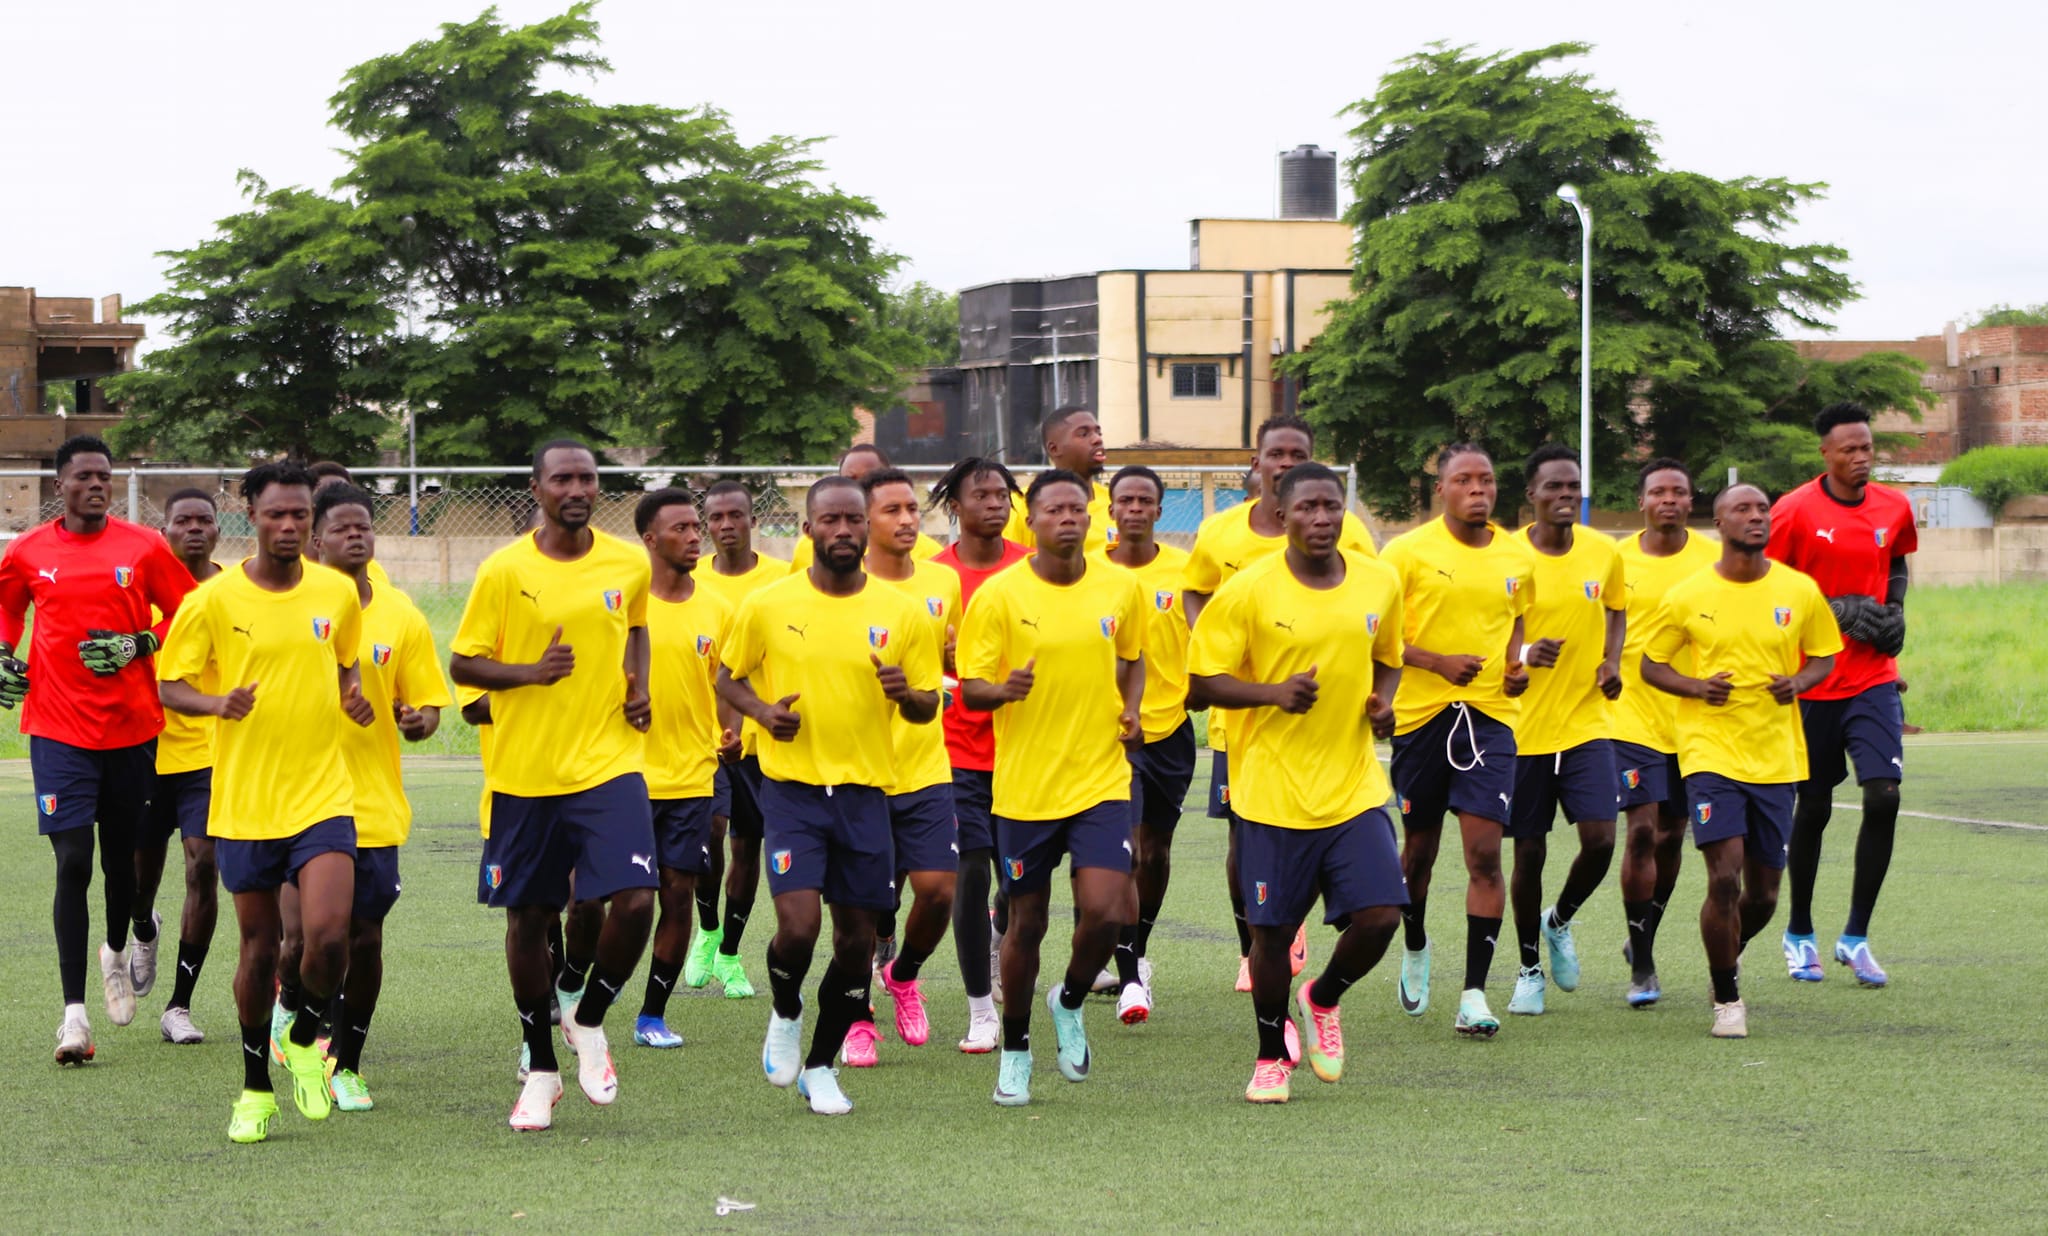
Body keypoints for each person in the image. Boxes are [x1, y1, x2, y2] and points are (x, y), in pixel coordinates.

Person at [158, 461, 374, 1143]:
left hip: (322, 792)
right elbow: (171, 684)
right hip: (246, 802)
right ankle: (254, 1088)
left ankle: (306, 1035)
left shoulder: (336, 594)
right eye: (276, 514)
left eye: (300, 515)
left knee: (329, 935)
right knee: (259, 948)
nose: (288, 526)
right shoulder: (214, 602)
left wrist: (351, 693)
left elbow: (346, 662)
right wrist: (218, 702)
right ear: (247, 515)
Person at [716, 476, 940, 1116]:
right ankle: (786, 1009)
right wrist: (761, 712)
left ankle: (820, 1065)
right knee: (798, 926)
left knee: (853, 943)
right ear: (808, 528)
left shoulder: (901, 613)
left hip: (868, 794)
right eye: (829, 520)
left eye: (852, 520)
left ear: (866, 526)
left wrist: (907, 695)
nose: (842, 531)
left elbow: (928, 705)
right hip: (791, 791)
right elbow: (727, 677)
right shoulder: (766, 604)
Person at [451, 439, 656, 1131]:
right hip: (525, 773)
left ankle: (589, 1016)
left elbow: (636, 629)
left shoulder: (628, 562)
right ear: (535, 487)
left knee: (634, 901)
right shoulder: (504, 570)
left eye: (588, 478)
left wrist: (640, 688)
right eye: (562, 477)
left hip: (608, 762)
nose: (577, 487)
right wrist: (530, 674)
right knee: (529, 921)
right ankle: (540, 1068)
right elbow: (465, 665)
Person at [1188, 463, 1408, 1102]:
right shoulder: (1249, 590)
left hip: (1353, 786)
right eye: (1307, 507)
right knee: (1273, 936)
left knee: (1381, 915)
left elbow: (1389, 658)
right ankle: (1268, 1057)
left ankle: (1323, 997)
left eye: (1332, 507)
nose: (1321, 518)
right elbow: (1201, 685)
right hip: (1272, 791)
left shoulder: (1379, 580)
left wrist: (1383, 704)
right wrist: (1271, 694)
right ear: (1281, 516)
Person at [0, 434, 197, 1064]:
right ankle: (73, 1019)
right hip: (57, 729)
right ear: (59, 486)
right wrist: (3, 654)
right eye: (83, 476)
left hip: (133, 730)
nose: (96, 485)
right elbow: (7, 614)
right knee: (72, 861)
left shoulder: (142, 546)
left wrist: (140, 643)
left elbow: (190, 614)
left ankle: (121, 945)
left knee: (122, 867)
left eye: (104, 477)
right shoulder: (29, 552)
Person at [958, 469, 1147, 1107]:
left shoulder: (1120, 588)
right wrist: (1003, 689)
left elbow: (1133, 656)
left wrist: (1132, 707)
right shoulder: (999, 597)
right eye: (1054, 509)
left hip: (1100, 778)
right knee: (1026, 924)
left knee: (1109, 909)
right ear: (1031, 521)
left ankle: (1068, 999)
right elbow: (972, 687)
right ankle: (1015, 1050)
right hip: (1025, 789)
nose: (1069, 517)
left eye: (1077, 508)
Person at [1183, 415, 1378, 992]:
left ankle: (1288, 926)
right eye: (1277, 453)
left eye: (1299, 452)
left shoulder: (1353, 540)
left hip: (1331, 730)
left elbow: (1375, 613)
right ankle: (1256, 941)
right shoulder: (1221, 533)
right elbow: (1197, 592)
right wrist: (1217, 647)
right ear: (1257, 462)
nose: (1286, 462)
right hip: (1246, 720)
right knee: (1243, 837)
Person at [1642, 484, 1842, 1037]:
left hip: (1776, 756)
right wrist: (1697, 687)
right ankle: (1727, 999)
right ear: (1720, 523)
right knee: (1724, 877)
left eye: (1762, 510)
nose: (1756, 517)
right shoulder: (1687, 595)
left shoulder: (1798, 590)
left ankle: (1729, 954)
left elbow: (1825, 653)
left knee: (1765, 894)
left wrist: (1799, 681)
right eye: (1743, 510)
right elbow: (1651, 665)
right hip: (1710, 751)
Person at [298, 483, 448, 1110]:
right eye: (341, 528)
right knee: (306, 938)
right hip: (296, 799)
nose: (356, 536)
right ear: (316, 539)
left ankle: (346, 1062)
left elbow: (428, 703)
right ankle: (301, 1024)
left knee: (363, 940)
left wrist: (420, 721)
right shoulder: (290, 605)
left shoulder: (400, 615)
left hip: (374, 802)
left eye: (365, 527)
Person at [1379, 444, 1534, 1038]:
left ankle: (1473, 993)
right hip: (1421, 718)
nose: (1479, 490)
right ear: (1440, 488)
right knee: (1417, 853)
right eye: (1464, 480)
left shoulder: (1519, 558)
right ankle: (1415, 943)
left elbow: (1517, 626)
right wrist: (1436, 662)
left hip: (1490, 720)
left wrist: (1515, 666)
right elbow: (1381, 636)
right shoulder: (1407, 553)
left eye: (1488, 480)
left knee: (1484, 855)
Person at [1765, 402, 1918, 987]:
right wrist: (1832, 611)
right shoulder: (1794, 511)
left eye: (1867, 447)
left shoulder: (1894, 506)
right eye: (1849, 450)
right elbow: (1767, 587)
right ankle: (1798, 931)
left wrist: (1895, 610)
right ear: (1825, 453)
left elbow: (1897, 559)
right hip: (1811, 682)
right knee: (1815, 807)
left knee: (1883, 796)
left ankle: (1855, 937)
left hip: (1874, 677)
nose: (1861, 458)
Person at [840, 467, 963, 1067]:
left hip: (926, 766)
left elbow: (950, 661)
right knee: (864, 905)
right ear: (864, 522)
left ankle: (903, 974)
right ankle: (858, 1018)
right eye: (892, 510)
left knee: (938, 892)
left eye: (913, 508)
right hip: (858, 772)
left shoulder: (943, 584)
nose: (908, 519)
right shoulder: (840, 587)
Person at [1503, 445, 1627, 1016]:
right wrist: (1526, 652)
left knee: (1601, 840)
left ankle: (1560, 920)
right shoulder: (1508, 558)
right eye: (1553, 487)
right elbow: (1489, 632)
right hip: (1523, 730)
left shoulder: (1603, 552)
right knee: (1528, 854)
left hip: (1585, 722)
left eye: (1573, 486)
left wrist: (1612, 662)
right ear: (1531, 495)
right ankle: (1528, 967)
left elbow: (1618, 609)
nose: (1565, 496)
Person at [927, 457, 1030, 1052]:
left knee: (1017, 885)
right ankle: (979, 1008)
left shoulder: (1032, 570)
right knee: (967, 871)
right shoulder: (934, 577)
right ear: (956, 507)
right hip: (958, 749)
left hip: (1025, 751)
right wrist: (944, 658)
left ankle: (1003, 938)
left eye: (1002, 494)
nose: (994, 503)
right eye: (981, 494)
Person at [630, 488, 737, 1050]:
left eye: (697, 527)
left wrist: (731, 730)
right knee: (612, 902)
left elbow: (726, 681)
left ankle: (651, 1015)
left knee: (676, 895)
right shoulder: (625, 602)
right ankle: (577, 993)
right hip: (623, 776)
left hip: (692, 778)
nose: (696, 536)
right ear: (650, 539)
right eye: (682, 529)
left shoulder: (718, 609)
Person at [1612, 459, 1719, 1007]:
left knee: (1673, 836)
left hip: (1694, 719)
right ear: (1643, 501)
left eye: (1679, 491)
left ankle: (1643, 937)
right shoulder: (1618, 561)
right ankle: (1644, 964)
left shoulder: (1713, 560)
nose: (1670, 500)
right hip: (1630, 716)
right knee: (1640, 833)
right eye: (1659, 491)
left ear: (1691, 499)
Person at [1096, 465, 1194, 1025]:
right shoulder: (1090, 574)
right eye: (1125, 500)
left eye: (1145, 501)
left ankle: (1136, 950)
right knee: (1126, 851)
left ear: (1161, 510)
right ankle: (1131, 979)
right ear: (1110, 511)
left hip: (1171, 731)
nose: (1134, 508)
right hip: (1110, 734)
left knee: (1155, 852)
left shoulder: (1185, 573)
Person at [689, 479, 789, 999]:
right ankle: (705, 931)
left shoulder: (780, 580)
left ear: (753, 519)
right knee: (709, 835)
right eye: (716, 518)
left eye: (735, 515)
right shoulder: (692, 579)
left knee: (747, 844)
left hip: (756, 739)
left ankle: (729, 951)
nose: (725, 525)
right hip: (697, 740)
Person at [130, 489, 225, 1044]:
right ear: (163, 530)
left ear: (218, 529)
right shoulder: (137, 594)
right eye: (181, 520)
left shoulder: (236, 591)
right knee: (141, 878)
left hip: (206, 752)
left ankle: (178, 1006)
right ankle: (144, 923)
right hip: (144, 749)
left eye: (204, 520)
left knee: (202, 864)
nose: (194, 528)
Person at [788, 445, 944, 572]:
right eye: (850, 480)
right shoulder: (809, 546)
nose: (858, 488)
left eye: (871, 479)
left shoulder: (929, 552)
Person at [1002, 408, 1115, 553]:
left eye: (1098, 433)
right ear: (1054, 449)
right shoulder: (1021, 504)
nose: (1097, 439)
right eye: (1084, 434)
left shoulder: (1116, 501)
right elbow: (1009, 562)